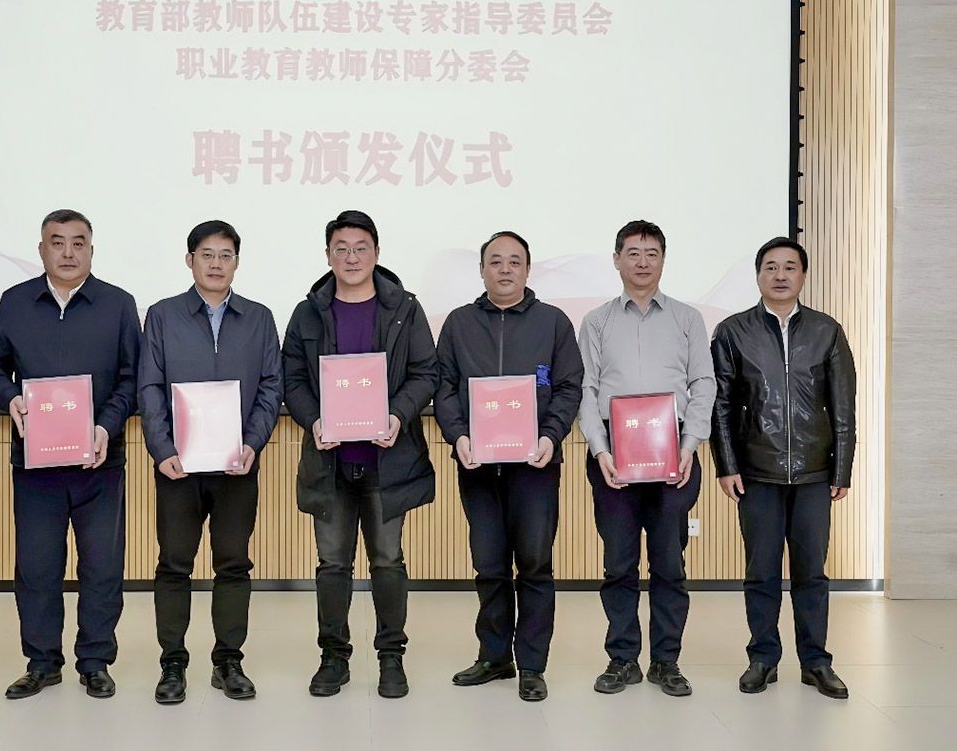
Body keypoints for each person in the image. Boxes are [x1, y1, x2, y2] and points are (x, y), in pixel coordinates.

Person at [0, 209, 141, 700]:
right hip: (36, 464)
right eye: (57, 242)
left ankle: (95, 662)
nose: (68, 252)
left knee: (102, 567)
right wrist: (10, 398)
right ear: (41, 249)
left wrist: (105, 425)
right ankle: (42, 662)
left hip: (100, 462)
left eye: (78, 243)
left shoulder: (118, 304)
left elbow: (132, 378)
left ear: (91, 249)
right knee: (37, 567)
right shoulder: (16, 302)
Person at [282, 210, 438, 699]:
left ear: (376, 252)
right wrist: (313, 420)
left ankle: (391, 657)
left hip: (387, 461)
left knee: (388, 562)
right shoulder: (307, 312)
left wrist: (397, 415)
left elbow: (426, 373)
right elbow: (292, 379)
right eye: (341, 249)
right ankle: (334, 657)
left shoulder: (404, 309)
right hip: (328, 462)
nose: (351, 257)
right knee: (332, 564)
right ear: (328, 254)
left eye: (360, 248)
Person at [434, 231, 583, 702]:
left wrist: (550, 435)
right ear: (481, 269)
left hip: (535, 465)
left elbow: (569, 386)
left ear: (527, 269)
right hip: (477, 464)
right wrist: (458, 436)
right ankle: (494, 655)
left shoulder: (553, 322)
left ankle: (532, 665)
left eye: (514, 261)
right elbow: (443, 386)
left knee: (535, 564)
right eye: (495, 261)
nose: (504, 269)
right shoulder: (459, 323)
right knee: (489, 564)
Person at [138, 220, 283, 704]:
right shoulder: (163, 315)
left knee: (233, 564)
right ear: (190, 260)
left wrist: (253, 443)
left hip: (236, 466)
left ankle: (228, 662)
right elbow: (149, 386)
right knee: (174, 565)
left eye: (225, 255)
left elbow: (272, 386)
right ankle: (172, 664)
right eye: (207, 254)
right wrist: (162, 449)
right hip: (178, 467)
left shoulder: (259, 318)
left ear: (237, 263)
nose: (216, 264)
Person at [710, 237, 856, 699]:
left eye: (789, 267)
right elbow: (721, 405)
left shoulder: (827, 331)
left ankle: (816, 662)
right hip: (757, 471)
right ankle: (763, 658)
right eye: (770, 267)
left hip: (814, 472)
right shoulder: (733, 331)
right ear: (758, 275)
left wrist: (842, 469)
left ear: (803, 275)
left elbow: (844, 405)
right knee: (762, 571)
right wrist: (726, 464)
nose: (780, 275)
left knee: (812, 572)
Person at [578, 220, 715, 697]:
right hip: (614, 455)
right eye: (632, 253)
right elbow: (586, 388)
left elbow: (703, 383)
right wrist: (600, 450)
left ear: (663, 260)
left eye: (651, 253)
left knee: (669, 564)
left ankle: (666, 661)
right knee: (619, 564)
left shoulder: (687, 319)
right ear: (616, 259)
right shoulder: (596, 321)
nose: (642, 262)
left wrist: (690, 444)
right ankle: (622, 659)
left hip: (673, 453)